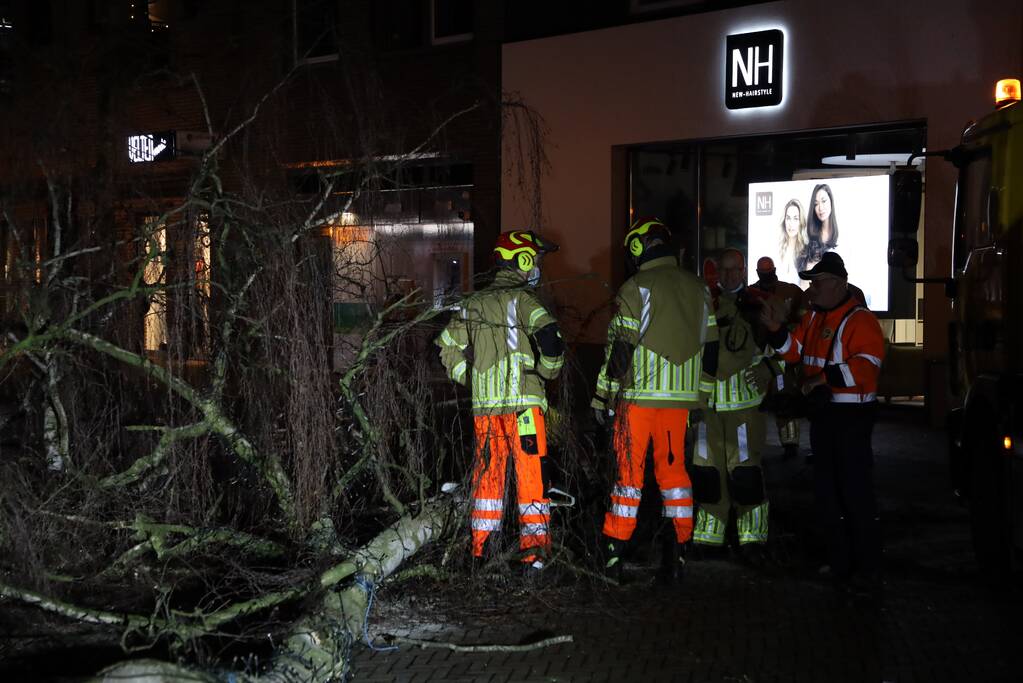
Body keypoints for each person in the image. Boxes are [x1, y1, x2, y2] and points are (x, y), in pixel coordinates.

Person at [593, 217, 719, 583]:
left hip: (638, 398)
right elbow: (710, 349)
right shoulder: (699, 289)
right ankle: (676, 557)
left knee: (628, 478)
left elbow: (621, 351)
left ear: (637, 248)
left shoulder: (636, 287)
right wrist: (701, 398)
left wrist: (602, 396)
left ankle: (614, 558)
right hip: (680, 402)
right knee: (675, 476)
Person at [436, 230, 565, 577]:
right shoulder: (526, 300)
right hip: (525, 409)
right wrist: (545, 374)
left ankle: (481, 554)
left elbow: (446, 346)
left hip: (486, 412)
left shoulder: (473, 303)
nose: (536, 266)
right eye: (533, 259)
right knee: (531, 483)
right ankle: (534, 557)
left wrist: (472, 377)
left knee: (487, 483)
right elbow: (552, 342)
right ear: (522, 260)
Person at [760, 252, 886, 596]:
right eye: (811, 282)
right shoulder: (815, 317)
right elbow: (793, 350)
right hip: (827, 418)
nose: (811, 289)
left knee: (855, 495)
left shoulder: (860, 320)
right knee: (829, 494)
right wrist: (775, 332)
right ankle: (842, 563)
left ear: (840, 284)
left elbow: (866, 366)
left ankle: (867, 569)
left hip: (851, 419)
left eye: (818, 282)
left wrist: (821, 381)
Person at [690, 249, 773, 557]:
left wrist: (769, 369)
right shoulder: (703, 304)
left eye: (734, 269)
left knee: (745, 475)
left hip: (742, 409)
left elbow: (779, 349)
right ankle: (709, 538)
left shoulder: (757, 304)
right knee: (707, 472)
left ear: (744, 270)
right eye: (722, 270)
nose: (728, 276)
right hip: (707, 407)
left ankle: (752, 541)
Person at [750, 256, 806, 460]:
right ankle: (753, 444)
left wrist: (785, 335)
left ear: (774, 270)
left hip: (782, 355)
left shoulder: (790, 291)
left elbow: (802, 320)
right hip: (758, 356)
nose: (766, 275)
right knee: (754, 402)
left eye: (768, 271)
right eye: (762, 272)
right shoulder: (749, 294)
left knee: (785, 399)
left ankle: (790, 444)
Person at [799, 184, 839, 273]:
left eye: (824, 201)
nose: (820, 208)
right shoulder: (809, 238)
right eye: (816, 204)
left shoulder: (841, 237)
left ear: (831, 201)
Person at [776, 199, 808, 287]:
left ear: (801, 222)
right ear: (784, 221)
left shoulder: (806, 253)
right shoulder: (778, 249)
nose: (791, 223)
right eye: (788, 218)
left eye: (796, 218)